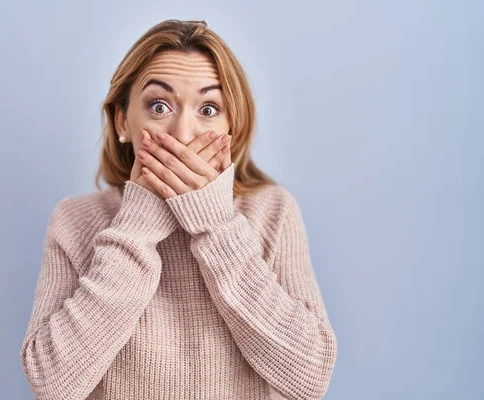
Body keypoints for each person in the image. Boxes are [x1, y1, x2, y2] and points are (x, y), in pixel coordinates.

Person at [19, 19, 337, 400]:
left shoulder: (272, 211)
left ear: (232, 124)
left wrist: (215, 223)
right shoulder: (75, 220)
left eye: (208, 108)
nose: (183, 134)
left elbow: (310, 377)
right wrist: (137, 225)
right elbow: (51, 384)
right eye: (159, 105)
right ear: (123, 121)